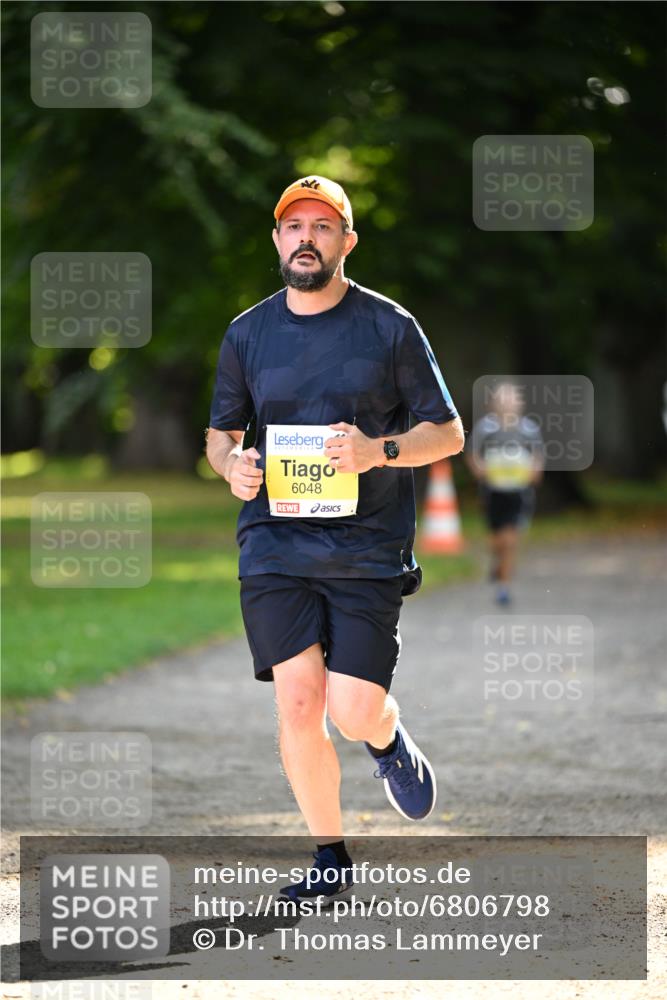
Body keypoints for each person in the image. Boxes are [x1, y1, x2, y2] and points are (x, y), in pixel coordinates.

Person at [205, 175, 464, 903]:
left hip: (366, 545)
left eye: (323, 226)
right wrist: (235, 467)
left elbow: (445, 432)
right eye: (294, 227)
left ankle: (384, 738)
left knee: (351, 709)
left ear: (346, 241)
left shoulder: (388, 326)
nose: (306, 238)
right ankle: (328, 858)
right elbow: (220, 436)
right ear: (278, 241)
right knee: (296, 702)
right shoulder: (246, 332)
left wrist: (375, 451)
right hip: (273, 543)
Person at [466, 382, 544, 605]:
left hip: (518, 493)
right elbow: (472, 454)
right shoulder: (485, 429)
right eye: (503, 400)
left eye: (512, 400)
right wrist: (479, 470)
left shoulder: (528, 430)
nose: (507, 405)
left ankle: (504, 587)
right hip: (493, 491)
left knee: (510, 539)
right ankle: (497, 562)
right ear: (494, 405)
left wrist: (534, 472)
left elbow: (537, 456)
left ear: (520, 404)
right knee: (496, 540)